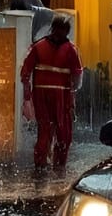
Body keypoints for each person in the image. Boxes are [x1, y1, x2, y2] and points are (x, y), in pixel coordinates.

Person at [21, 13, 84, 173]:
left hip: (41, 94)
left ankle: (41, 165)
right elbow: (77, 78)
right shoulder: (71, 50)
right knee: (63, 133)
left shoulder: (38, 47)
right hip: (61, 96)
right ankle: (58, 167)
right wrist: (73, 94)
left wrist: (27, 97)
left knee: (44, 129)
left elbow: (25, 72)